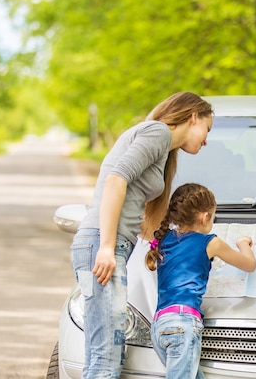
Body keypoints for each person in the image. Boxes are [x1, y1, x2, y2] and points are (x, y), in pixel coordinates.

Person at [70, 92, 214, 379]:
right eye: (207, 129)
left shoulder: (164, 151)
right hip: (102, 242)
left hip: (110, 243)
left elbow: (144, 217)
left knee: (106, 353)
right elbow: (116, 180)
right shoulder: (158, 132)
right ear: (193, 116)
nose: (206, 139)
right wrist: (107, 247)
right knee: (105, 357)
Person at [146, 183, 256, 379]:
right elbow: (249, 264)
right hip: (183, 325)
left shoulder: (163, 238)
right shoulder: (210, 242)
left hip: (159, 325)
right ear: (205, 217)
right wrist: (243, 244)